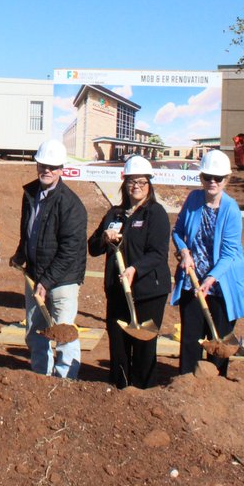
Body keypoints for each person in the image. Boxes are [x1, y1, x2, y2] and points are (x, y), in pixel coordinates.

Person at [88, 155, 170, 389]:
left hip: (147, 292)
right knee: (119, 344)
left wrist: (135, 269)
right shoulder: (114, 213)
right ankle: (120, 388)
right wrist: (104, 238)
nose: (137, 186)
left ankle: (143, 390)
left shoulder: (155, 214)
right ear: (124, 183)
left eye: (142, 182)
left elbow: (158, 253)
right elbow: (92, 248)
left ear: (149, 185)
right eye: (132, 181)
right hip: (117, 291)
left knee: (144, 347)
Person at [10, 139, 87, 379]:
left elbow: (70, 250)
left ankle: (66, 380)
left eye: (53, 167)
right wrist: (20, 255)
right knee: (36, 331)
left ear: (61, 169)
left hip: (63, 279)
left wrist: (47, 281)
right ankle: (40, 378)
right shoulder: (30, 194)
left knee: (64, 332)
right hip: (35, 274)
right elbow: (29, 231)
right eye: (43, 165)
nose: (47, 170)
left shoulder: (71, 204)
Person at [169, 150, 244, 377]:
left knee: (219, 343)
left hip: (222, 285)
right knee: (190, 340)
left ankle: (215, 389)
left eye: (218, 178)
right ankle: (186, 384)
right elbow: (178, 232)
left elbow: (229, 253)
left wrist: (210, 279)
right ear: (201, 177)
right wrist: (184, 252)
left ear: (227, 179)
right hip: (192, 283)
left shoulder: (231, 210)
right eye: (207, 177)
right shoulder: (194, 199)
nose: (212, 182)